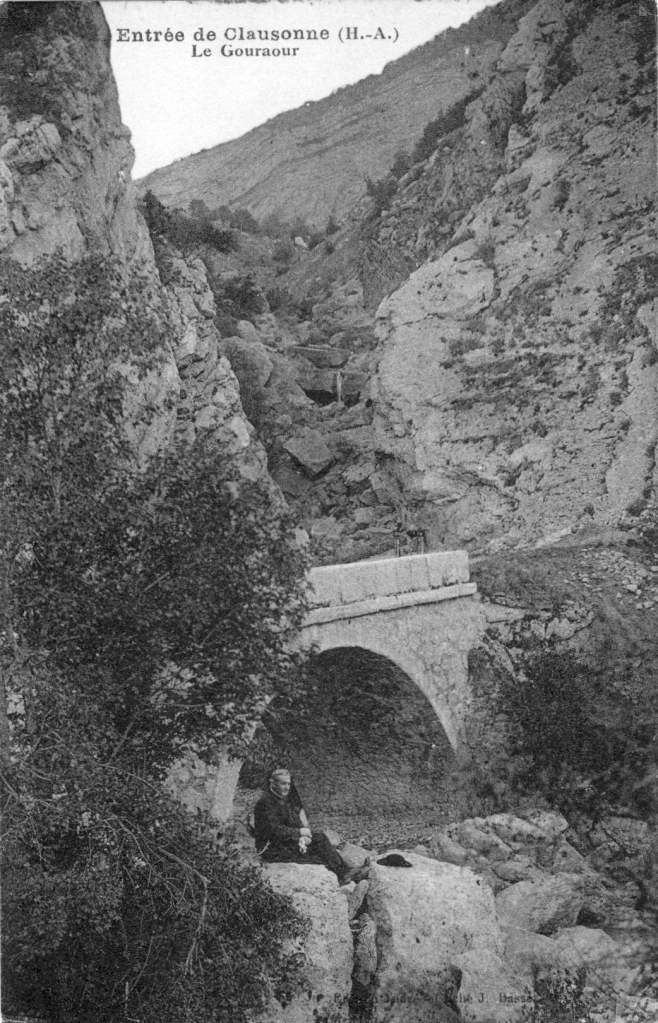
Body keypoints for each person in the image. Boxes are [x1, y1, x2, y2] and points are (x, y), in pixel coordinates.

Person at [254, 768, 369, 885]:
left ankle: (346, 872)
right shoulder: (265, 803)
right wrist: (299, 833)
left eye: (288, 784)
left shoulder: (282, 799)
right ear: (273, 783)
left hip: (285, 842)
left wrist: (303, 837)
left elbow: (294, 821)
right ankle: (345, 875)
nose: (287, 787)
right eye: (283, 784)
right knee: (318, 857)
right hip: (272, 849)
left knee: (320, 838)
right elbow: (274, 831)